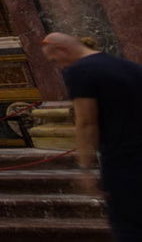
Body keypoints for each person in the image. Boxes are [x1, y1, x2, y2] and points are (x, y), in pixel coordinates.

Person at [41, 32, 142, 241]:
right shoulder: (127, 66)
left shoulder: (79, 71)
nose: (58, 66)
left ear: (62, 50)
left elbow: (86, 122)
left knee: (130, 229)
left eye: (54, 60)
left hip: (124, 162)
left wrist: (85, 168)